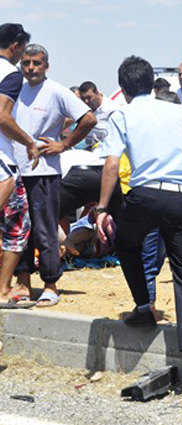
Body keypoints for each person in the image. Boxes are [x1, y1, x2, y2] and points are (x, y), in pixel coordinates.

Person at [95, 55, 182, 389]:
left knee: (127, 246)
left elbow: (112, 163)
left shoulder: (122, 113)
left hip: (145, 196)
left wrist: (101, 209)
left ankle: (144, 306)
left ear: (125, 89)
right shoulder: (178, 110)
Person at [11, 43, 97, 307]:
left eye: (36, 63)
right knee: (19, 229)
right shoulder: (15, 90)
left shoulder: (57, 92)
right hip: (16, 170)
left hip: (44, 172)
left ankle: (50, 284)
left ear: (46, 66)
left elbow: (88, 119)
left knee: (45, 229)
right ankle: (23, 281)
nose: (31, 68)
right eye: (26, 63)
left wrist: (64, 144)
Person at [0, 22, 39, 308]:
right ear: (16, 45)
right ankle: (2, 291)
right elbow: (2, 116)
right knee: (16, 226)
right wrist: (28, 141)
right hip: (3, 164)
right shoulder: (10, 74)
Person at [78, 81, 119, 148]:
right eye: (83, 99)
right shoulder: (84, 110)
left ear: (97, 93)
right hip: (90, 149)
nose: (86, 101)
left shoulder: (113, 108)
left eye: (89, 97)